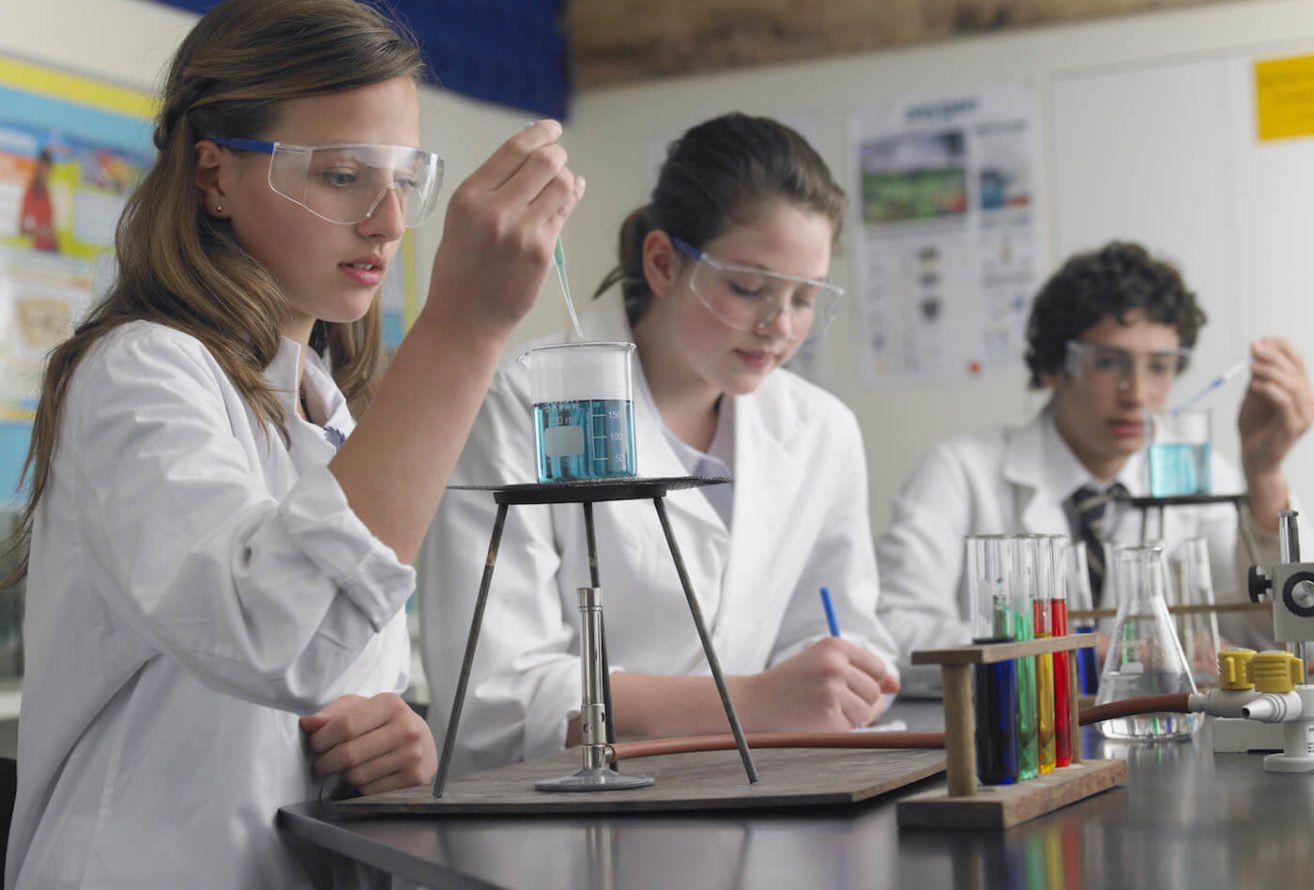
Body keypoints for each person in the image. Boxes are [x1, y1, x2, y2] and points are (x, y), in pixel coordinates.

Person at [4, 1, 583, 887]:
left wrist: (394, 741)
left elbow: (325, 675)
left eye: (404, 179)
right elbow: (276, 635)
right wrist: (465, 329)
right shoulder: (140, 372)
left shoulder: (330, 411)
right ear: (214, 177)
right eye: (344, 175)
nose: (389, 221)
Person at [420, 112, 902, 777]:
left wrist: (839, 678)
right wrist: (753, 702)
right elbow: (493, 699)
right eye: (750, 288)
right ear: (664, 262)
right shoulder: (522, 401)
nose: (780, 327)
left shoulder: (822, 430)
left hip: (763, 797)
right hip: (567, 827)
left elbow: (837, 631)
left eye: (804, 298)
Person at [876, 241, 1313, 690]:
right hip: (1013, 745)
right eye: (1108, 363)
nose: (1137, 394)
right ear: (1052, 366)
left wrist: (1264, 474)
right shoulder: (960, 475)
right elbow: (896, 635)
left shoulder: (1205, 479)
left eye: (1160, 366)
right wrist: (1084, 650)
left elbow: (1275, 638)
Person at [18, 149, 56, 253]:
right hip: (36, 251)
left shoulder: (47, 194)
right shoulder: (30, 194)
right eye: (44, 171)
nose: (46, 175)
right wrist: (40, 231)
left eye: (48, 171)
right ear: (38, 170)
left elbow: (50, 228)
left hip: (51, 249)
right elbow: (22, 229)